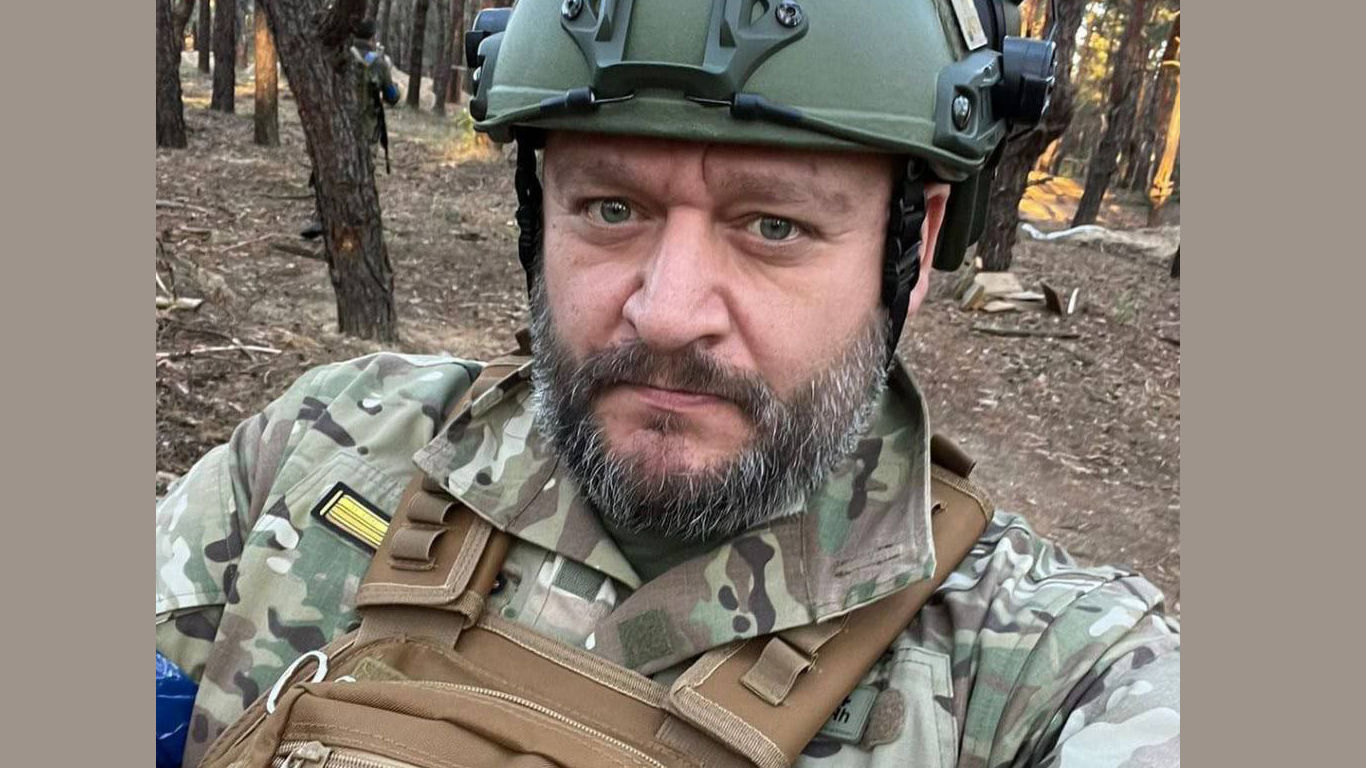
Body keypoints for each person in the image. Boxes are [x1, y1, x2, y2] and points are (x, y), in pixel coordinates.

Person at [159, 2, 1179, 766]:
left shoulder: (1039, 665)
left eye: (772, 225)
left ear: (910, 246)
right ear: (538, 215)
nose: (666, 310)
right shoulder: (322, 448)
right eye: (611, 208)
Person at [300, 19, 400, 240]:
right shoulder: (377, 63)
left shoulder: (340, 55)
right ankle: (358, 223)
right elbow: (393, 97)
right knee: (362, 176)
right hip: (366, 131)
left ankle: (321, 216)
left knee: (331, 171)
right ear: (372, 37)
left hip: (336, 126)